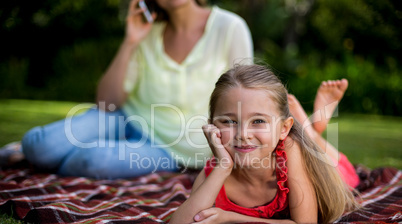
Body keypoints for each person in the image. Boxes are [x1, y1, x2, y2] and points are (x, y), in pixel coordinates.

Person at [15, 0, 253, 179]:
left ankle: (34, 163)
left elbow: (244, 99)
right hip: (125, 118)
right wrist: (131, 41)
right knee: (40, 146)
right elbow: (106, 101)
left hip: (172, 148)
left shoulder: (230, 28)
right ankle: (25, 154)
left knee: (91, 160)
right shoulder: (148, 30)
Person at [169, 64, 360, 224]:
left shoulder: (290, 149)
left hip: (332, 173)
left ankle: (312, 133)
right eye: (229, 121)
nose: (243, 134)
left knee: (341, 171)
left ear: (284, 129)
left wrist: (229, 218)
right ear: (213, 127)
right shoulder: (214, 174)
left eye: (258, 121)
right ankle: (308, 130)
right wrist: (224, 166)